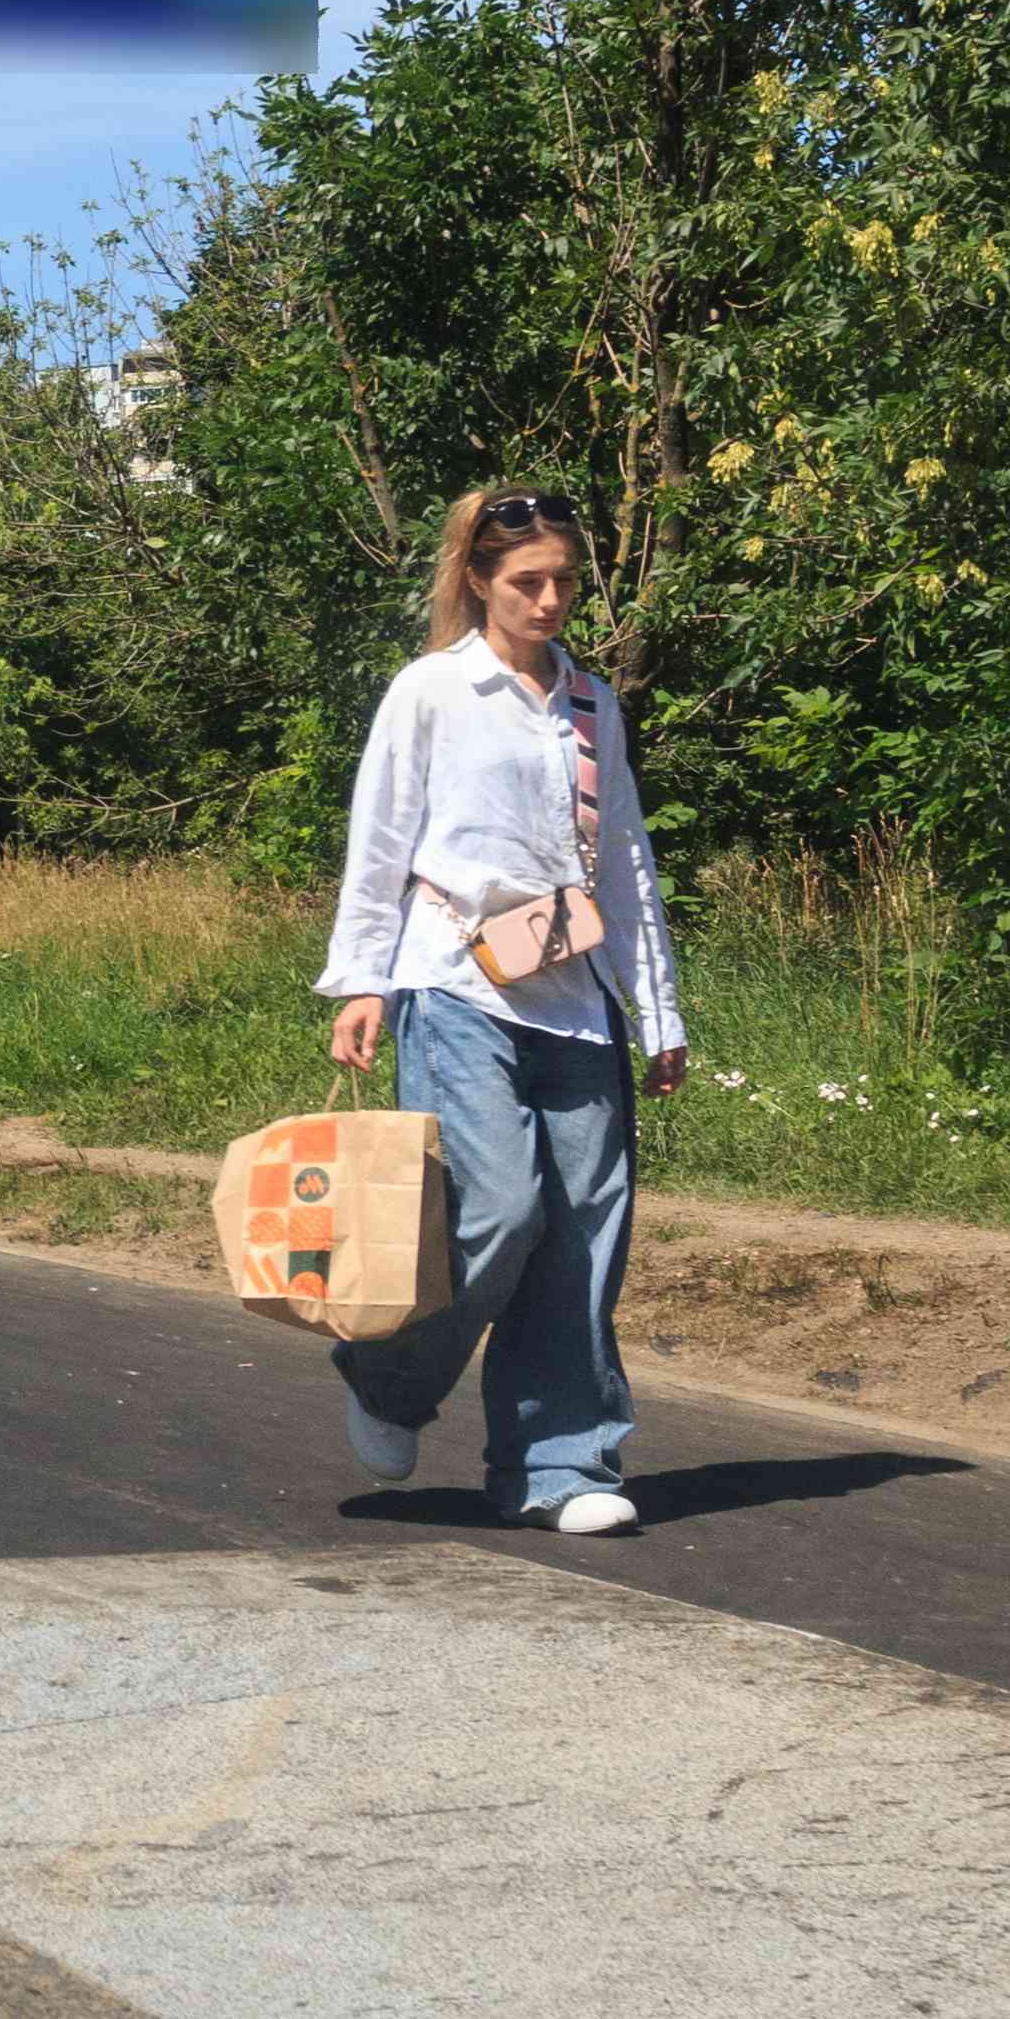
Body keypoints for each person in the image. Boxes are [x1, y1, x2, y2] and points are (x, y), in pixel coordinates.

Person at [314, 484, 687, 1535]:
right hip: (453, 983)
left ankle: (559, 1466)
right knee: (498, 1206)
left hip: (575, 1004)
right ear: (478, 580)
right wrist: (361, 980)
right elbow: (379, 839)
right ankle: (388, 1378)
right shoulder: (431, 691)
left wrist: (658, 1013)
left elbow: (624, 861)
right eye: (529, 581)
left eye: (566, 579)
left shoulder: (590, 705)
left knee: (582, 1238)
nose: (552, 599)